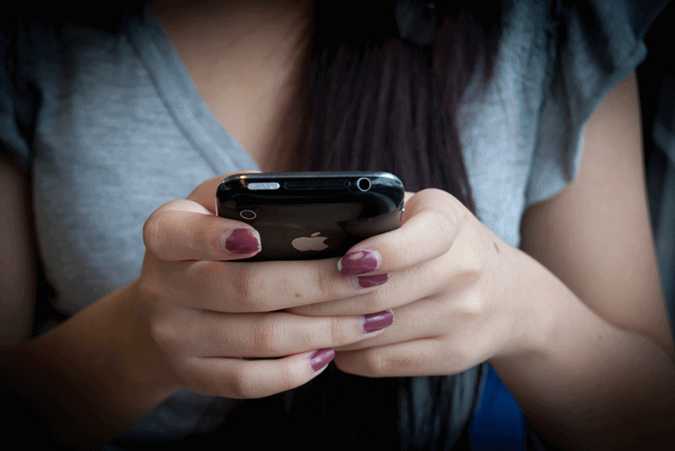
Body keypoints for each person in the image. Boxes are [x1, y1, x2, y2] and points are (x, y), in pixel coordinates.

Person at [1, 1, 674, 450]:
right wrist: (136, 343)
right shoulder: (31, 32)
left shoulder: (545, 18)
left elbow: (651, 416)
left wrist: (519, 308)